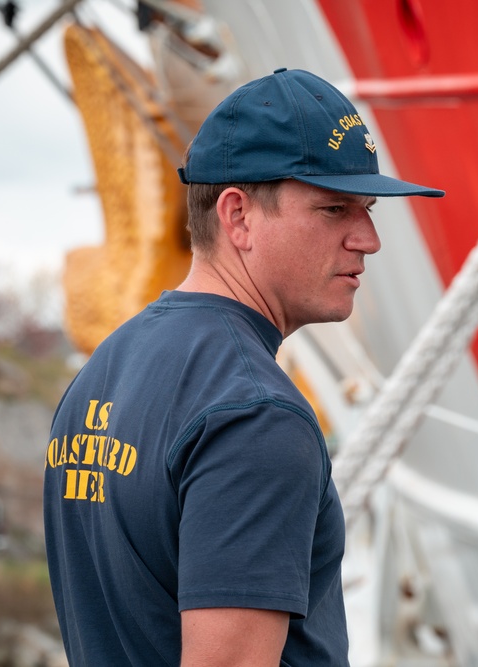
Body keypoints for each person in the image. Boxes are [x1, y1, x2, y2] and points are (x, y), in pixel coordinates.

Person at [43, 67, 443, 666]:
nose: (368, 239)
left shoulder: (103, 372)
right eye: (335, 209)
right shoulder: (257, 415)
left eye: (368, 209)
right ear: (237, 216)